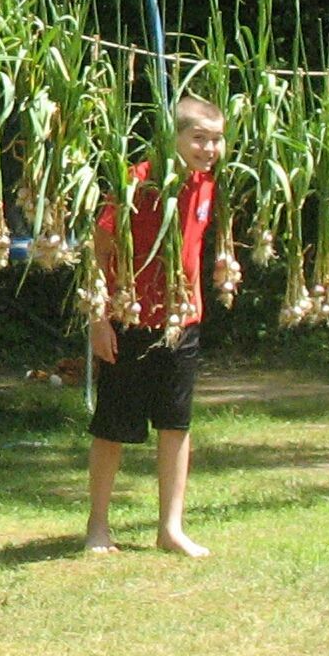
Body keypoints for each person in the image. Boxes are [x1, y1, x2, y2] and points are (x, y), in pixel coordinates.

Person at [85, 94, 224, 557]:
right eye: (198, 138)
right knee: (113, 427)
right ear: (173, 138)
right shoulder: (136, 182)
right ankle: (97, 526)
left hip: (181, 321)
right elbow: (98, 250)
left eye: (216, 140)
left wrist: (195, 303)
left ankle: (170, 528)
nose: (208, 148)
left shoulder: (205, 185)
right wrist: (99, 319)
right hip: (131, 318)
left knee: (175, 424)